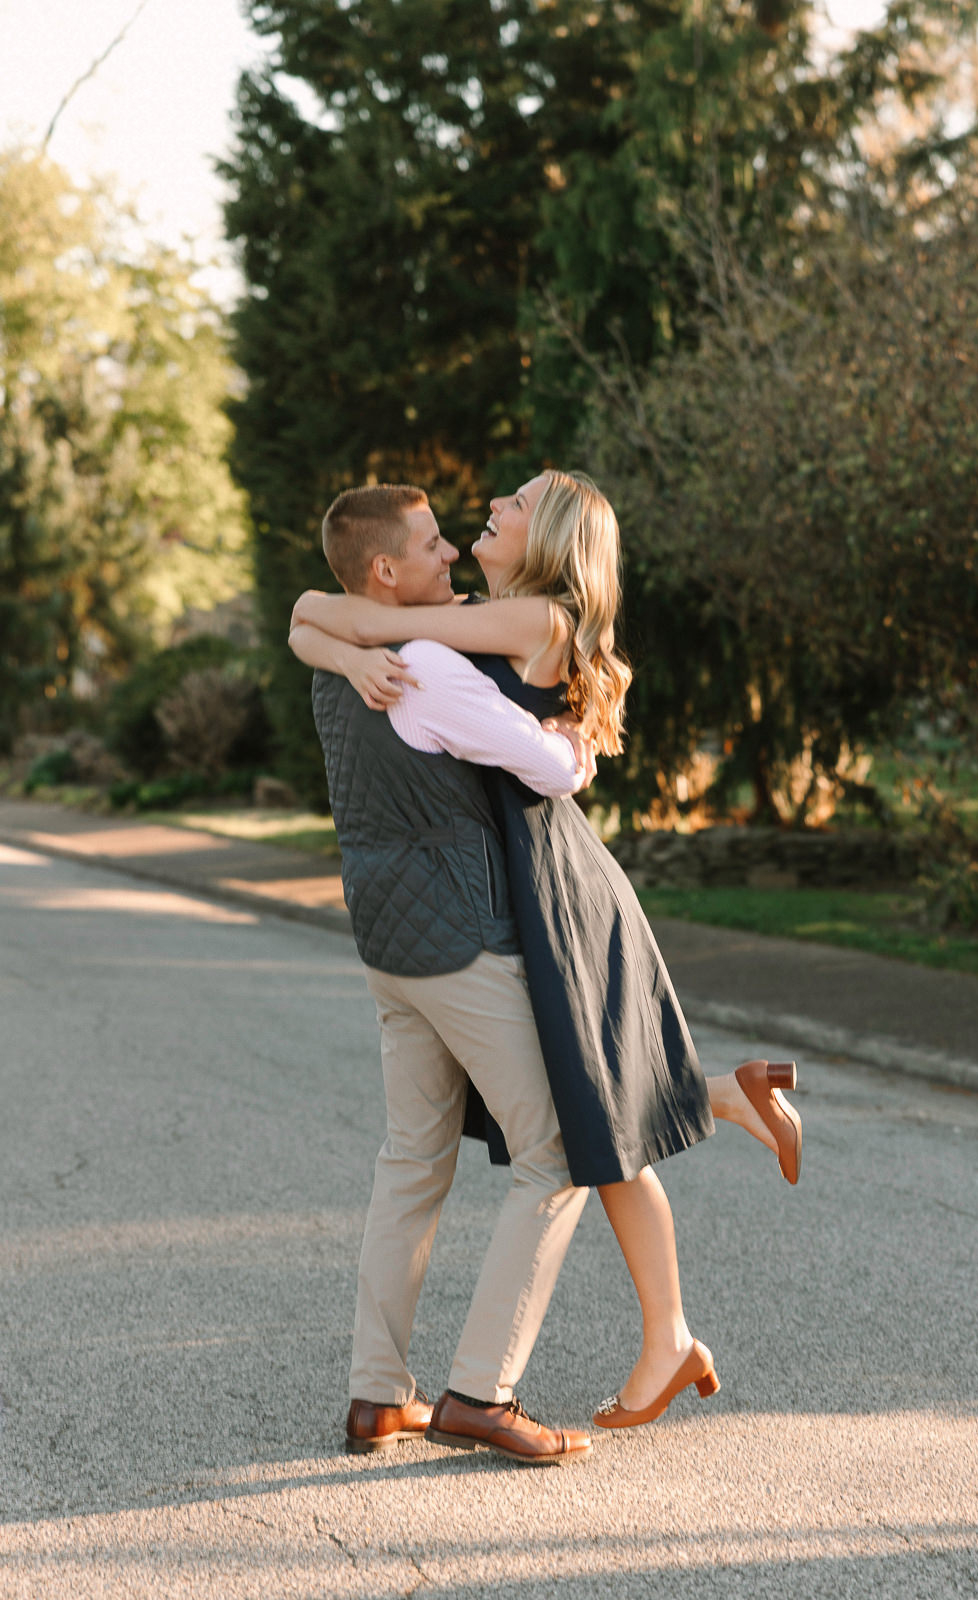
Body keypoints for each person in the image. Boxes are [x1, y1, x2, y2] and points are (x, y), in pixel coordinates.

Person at [291, 470, 802, 1431]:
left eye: (512, 504)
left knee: (570, 1121)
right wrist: (337, 632)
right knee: (576, 1128)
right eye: (440, 537)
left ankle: (424, 1385)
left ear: (552, 536)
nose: (482, 516)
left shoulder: (521, 622)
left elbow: (368, 625)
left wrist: (340, 631)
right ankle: (510, 1378)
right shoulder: (463, 623)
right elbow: (339, 614)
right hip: (499, 890)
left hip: (549, 881)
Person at [293, 483, 599, 1466]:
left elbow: (306, 616)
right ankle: (482, 1390)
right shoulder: (427, 664)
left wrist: (335, 638)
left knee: (412, 1164)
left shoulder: (342, 664)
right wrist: (577, 737)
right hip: (461, 939)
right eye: (430, 545)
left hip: (384, 941)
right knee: (553, 1156)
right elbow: (546, 770)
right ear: (384, 571)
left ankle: (378, 1395)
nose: (450, 558)